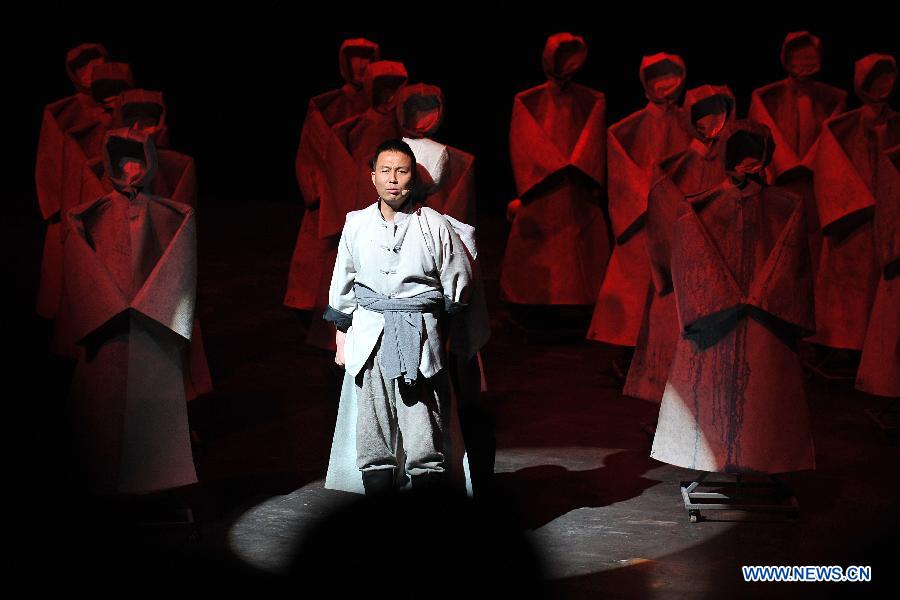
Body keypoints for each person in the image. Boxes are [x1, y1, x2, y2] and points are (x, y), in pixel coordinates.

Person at [324, 139, 474, 495]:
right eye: (386, 171)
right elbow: (342, 279)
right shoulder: (357, 223)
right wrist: (342, 335)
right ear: (373, 176)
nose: (393, 179)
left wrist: (441, 331)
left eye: (402, 171)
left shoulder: (434, 225)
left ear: (413, 178)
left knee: (422, 423)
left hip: (418, 338)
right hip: (371, 333)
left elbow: (457, 280)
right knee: (372, 428)